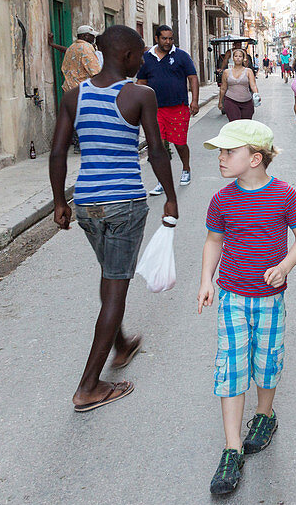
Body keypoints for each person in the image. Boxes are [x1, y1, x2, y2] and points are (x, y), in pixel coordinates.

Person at [48, 25, 178, 412]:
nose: (143, 60)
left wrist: (60, 202)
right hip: (124, 203)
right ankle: (89, 385)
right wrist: (171, 198)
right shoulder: (140, 95)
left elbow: (57, 153)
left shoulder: (75, 96)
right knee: (116, 288)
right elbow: (156, 151)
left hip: (87, 203)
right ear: (126, 57)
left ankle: (120, 343)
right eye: (140, 55)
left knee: (109, 273)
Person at [198, 119, 296, 495]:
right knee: (230, 366)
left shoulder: (285, 195)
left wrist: (284, 266)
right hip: (231, 295)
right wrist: (205, 281)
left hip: (269, 299)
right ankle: (231, 449)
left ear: (255, 158)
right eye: (221, 152)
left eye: (229, 152)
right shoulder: (222, 200)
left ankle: (264, 415)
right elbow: (214, 240)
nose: (221, 158)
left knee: (266, 361)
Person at [137, 25, 199, 193]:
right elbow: (141, 82)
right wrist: (139, 105)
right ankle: (162, 181)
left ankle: (186, 169)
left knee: (179, 144)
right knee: (158, 146)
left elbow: (192, 78)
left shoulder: (181, 56)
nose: (168, 41)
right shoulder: (146, 58)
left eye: (170, 38)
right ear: (156, 38)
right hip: (154, 110)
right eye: (164, 38)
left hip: (178, 108)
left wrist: (194, 101)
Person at [219, 48, 259, 122]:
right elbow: (223, 88)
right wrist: (220, 102)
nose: (238, 58)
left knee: (246, 125)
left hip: (247, 101)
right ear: (232, 58)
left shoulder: (248, 71)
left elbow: (253, 85)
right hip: (230, 100)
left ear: (243, 58)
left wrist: (256, 94)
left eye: (240, 56)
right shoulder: (226, 72)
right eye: (236, 56)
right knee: (235, 124)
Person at [60, 24, 101, 92]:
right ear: (85, 36)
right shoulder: (86, 47)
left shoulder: (72, 47)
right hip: (82, 90)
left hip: (69, 89)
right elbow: (95, 71)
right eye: (92, 36)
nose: (94, 38)